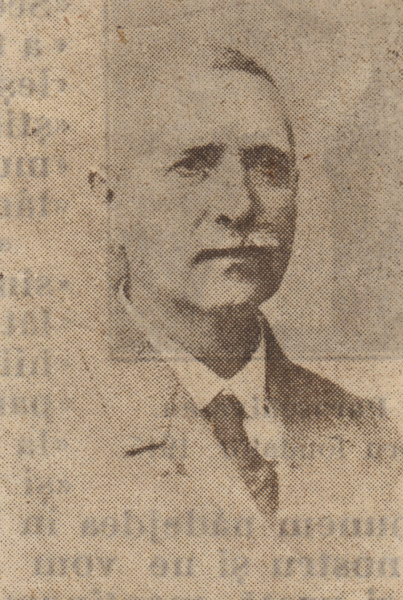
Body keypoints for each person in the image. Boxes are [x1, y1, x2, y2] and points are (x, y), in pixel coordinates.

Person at [110, 44, 401, 518]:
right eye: (193, 166)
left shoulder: (373, 436)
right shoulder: (39, 419)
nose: (240, 205)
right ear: (110, 201)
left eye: (268, 167)